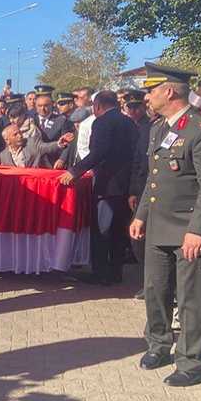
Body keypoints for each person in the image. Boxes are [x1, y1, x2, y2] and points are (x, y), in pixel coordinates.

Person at [129, 63, 201, 387]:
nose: (147, 96)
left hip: (187, 229)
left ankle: (191, 362)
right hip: (159, 226)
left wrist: (197, 229)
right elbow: (154, 179)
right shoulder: (158, 128)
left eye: (151, 90)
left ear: (168, 91)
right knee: (156, 291)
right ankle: (158, 344)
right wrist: (141, 214)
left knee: (191, 298)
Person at [60, 91, 137, 285]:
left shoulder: (101, 122)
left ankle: (100, 273)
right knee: (119, 231)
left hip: (107, 185)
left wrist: (75, 171)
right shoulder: (129, 122)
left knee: (102, 230)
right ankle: (115, 271)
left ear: (98, 106)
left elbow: (99, 152)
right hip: (125, 185)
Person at [125, 90, 154, 300]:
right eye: (130, 107)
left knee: (149, 240)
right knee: (139, 240)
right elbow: (136, 162)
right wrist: (133, 190)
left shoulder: (150, 126)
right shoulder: (133, 127)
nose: (134, 111)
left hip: (155, 189)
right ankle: (148, 281)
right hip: (141, 189)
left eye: (138, 107)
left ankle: (153, 283)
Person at [0, 123, 71, 167]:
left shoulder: (32, 143)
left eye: (20, 132)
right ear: (7, 140)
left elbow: (46, 147)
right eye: (15, 135)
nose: (20, 136)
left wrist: (58, 144)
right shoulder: (3, 155)